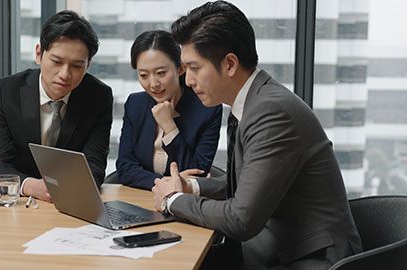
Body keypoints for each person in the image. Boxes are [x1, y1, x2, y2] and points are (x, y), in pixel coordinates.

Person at [152, 1, 362, 269]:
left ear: (229, 64)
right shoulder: (251, 102)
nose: (188, 81)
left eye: (195, 68)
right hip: (278, 252)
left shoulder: (271, 112)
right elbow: (248, 185)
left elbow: (242, 219)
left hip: (310, 260)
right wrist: (190, 187)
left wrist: (174, 201)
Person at [0, 10, 113, 202]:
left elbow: (94, 164)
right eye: (57, 62)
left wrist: (67, 190)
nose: (65, 74)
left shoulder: (98, 96)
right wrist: (28, 185)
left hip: (70, 201)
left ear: (88, 64)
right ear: (39, 54)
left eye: (77, 66)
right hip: (18, 200)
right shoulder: (5, 91)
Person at [116, 30, 222, 190]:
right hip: (140, 198)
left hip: (183, 203)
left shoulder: (208, 109)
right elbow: (125, 169)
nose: (153, 84)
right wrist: (170, 182)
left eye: (161, 73)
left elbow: (198, 173)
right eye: (144, 75)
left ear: (180, 69)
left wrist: (169, 126)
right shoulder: (135, 104)